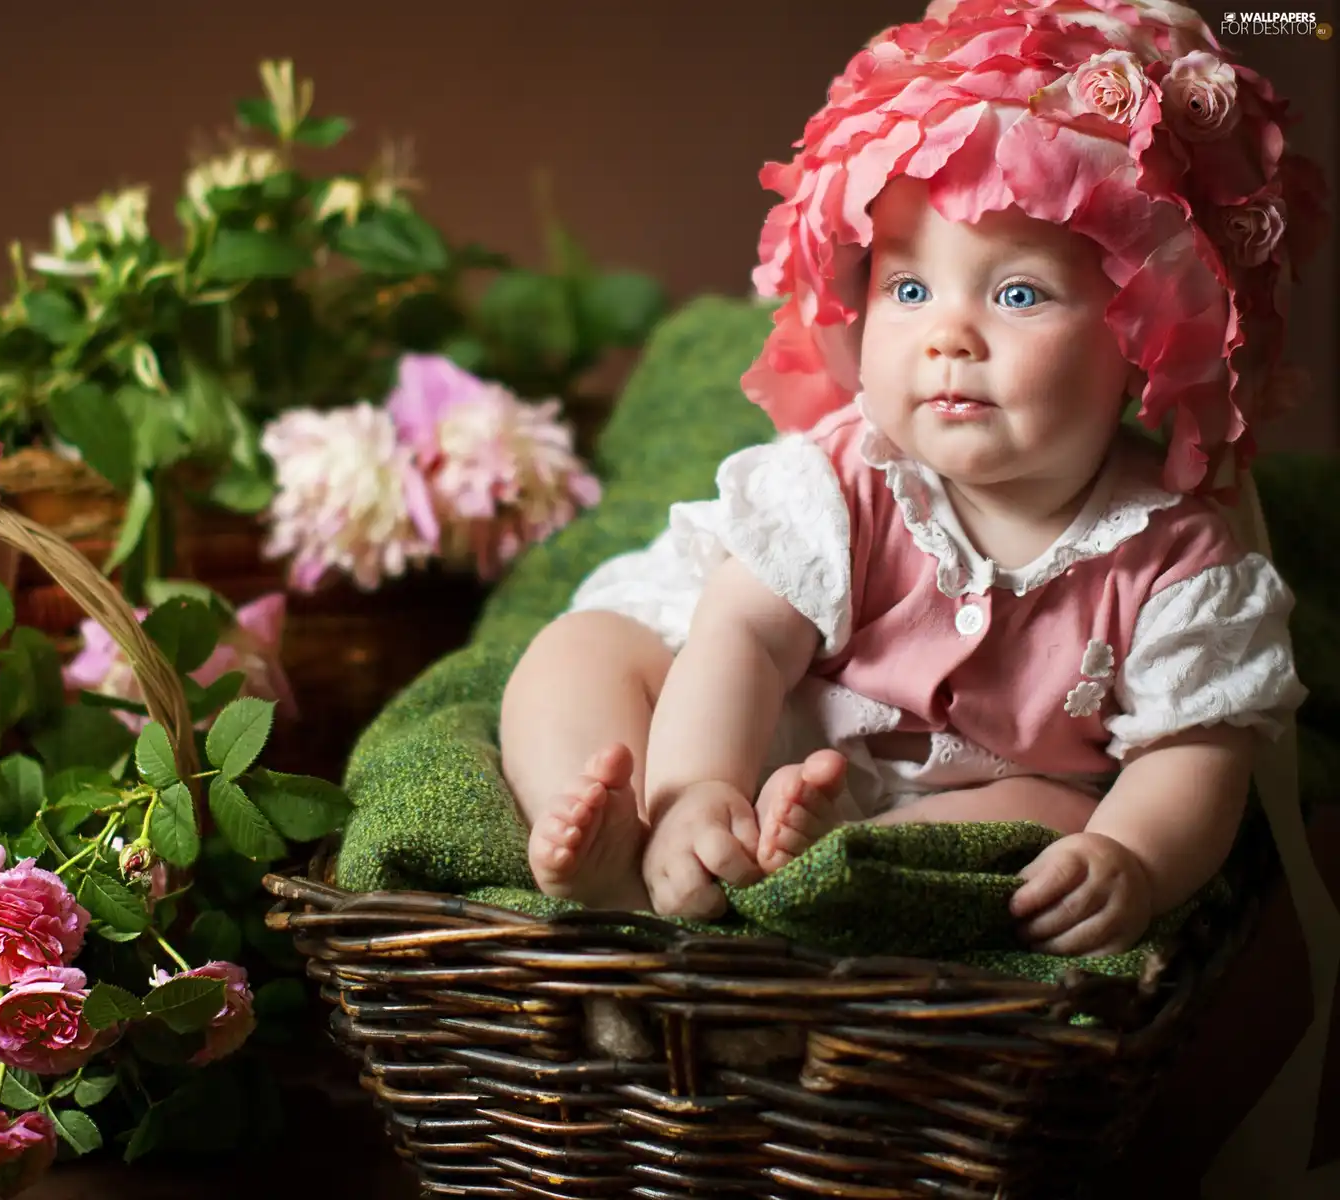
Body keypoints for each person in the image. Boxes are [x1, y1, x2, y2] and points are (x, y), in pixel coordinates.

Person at [498, 0, 1328, 956]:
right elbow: (743, 646)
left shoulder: (1178, 561)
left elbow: (1196, 756)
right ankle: (641, 851)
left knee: (1063, 817)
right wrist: (699, 790)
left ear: (1142, 337)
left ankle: (837, 881)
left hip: (964, 798)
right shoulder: (841, 479)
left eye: (1018, 294)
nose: (948, 334)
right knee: (579, 655)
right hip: (747, 728)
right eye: (908, 288)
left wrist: (1135, 860)